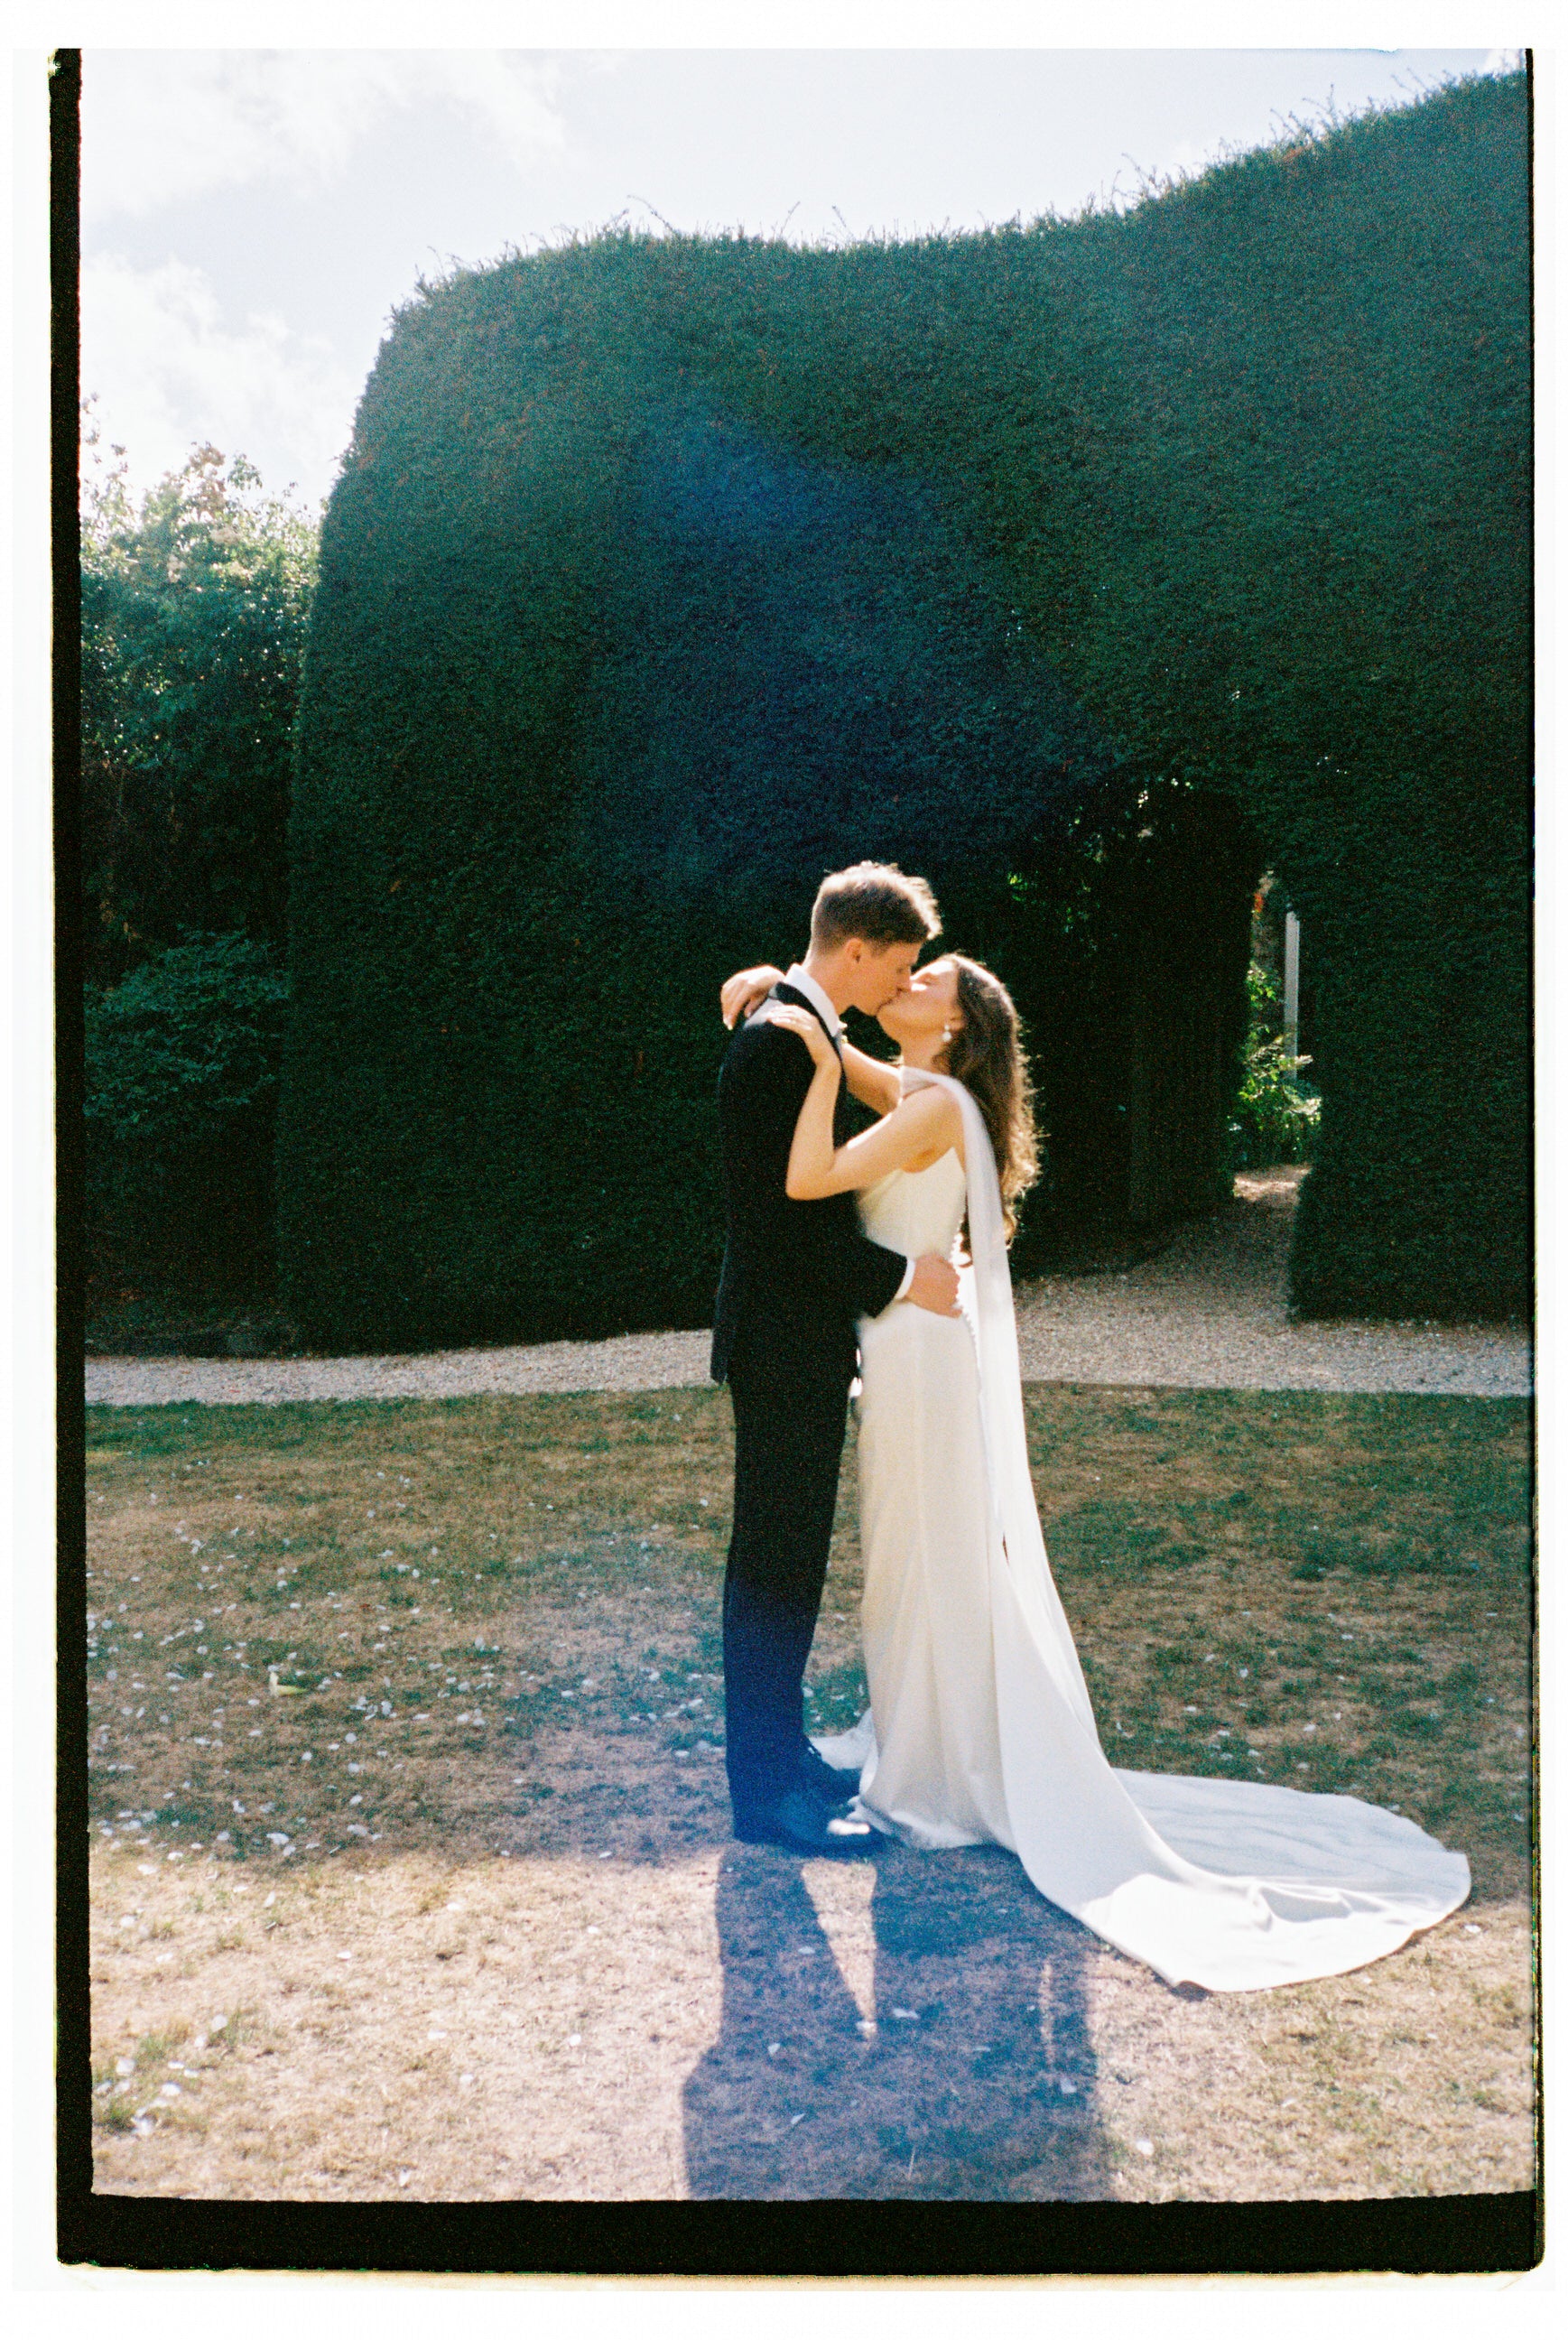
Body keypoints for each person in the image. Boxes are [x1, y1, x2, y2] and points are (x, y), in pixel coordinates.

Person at [720, 946, 1471, 1992]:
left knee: (925, 1547)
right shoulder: (921, 1088)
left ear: (956, 1026)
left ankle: (938, 1768)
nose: (907, 983)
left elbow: (812, 1170)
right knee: (906, 1551)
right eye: (908, 973)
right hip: (903, 1348)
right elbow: (838, 1052)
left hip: (920, 1352)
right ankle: (923, 1741)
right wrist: (781, 997)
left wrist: (798, 1026)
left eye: (928, 984)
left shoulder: (935, 1107)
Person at [710, 863, 963, 1859]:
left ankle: (783, 1755)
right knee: (772, 1566)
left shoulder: (800, 1028)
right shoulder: (780, 1044)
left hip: (799, 1341)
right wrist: (900, 1278)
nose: (901, 981)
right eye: (897, 964)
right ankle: (762, 1792)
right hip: (780, 1343)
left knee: (794, 1562)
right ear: (855, 950)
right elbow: (780, 1226)